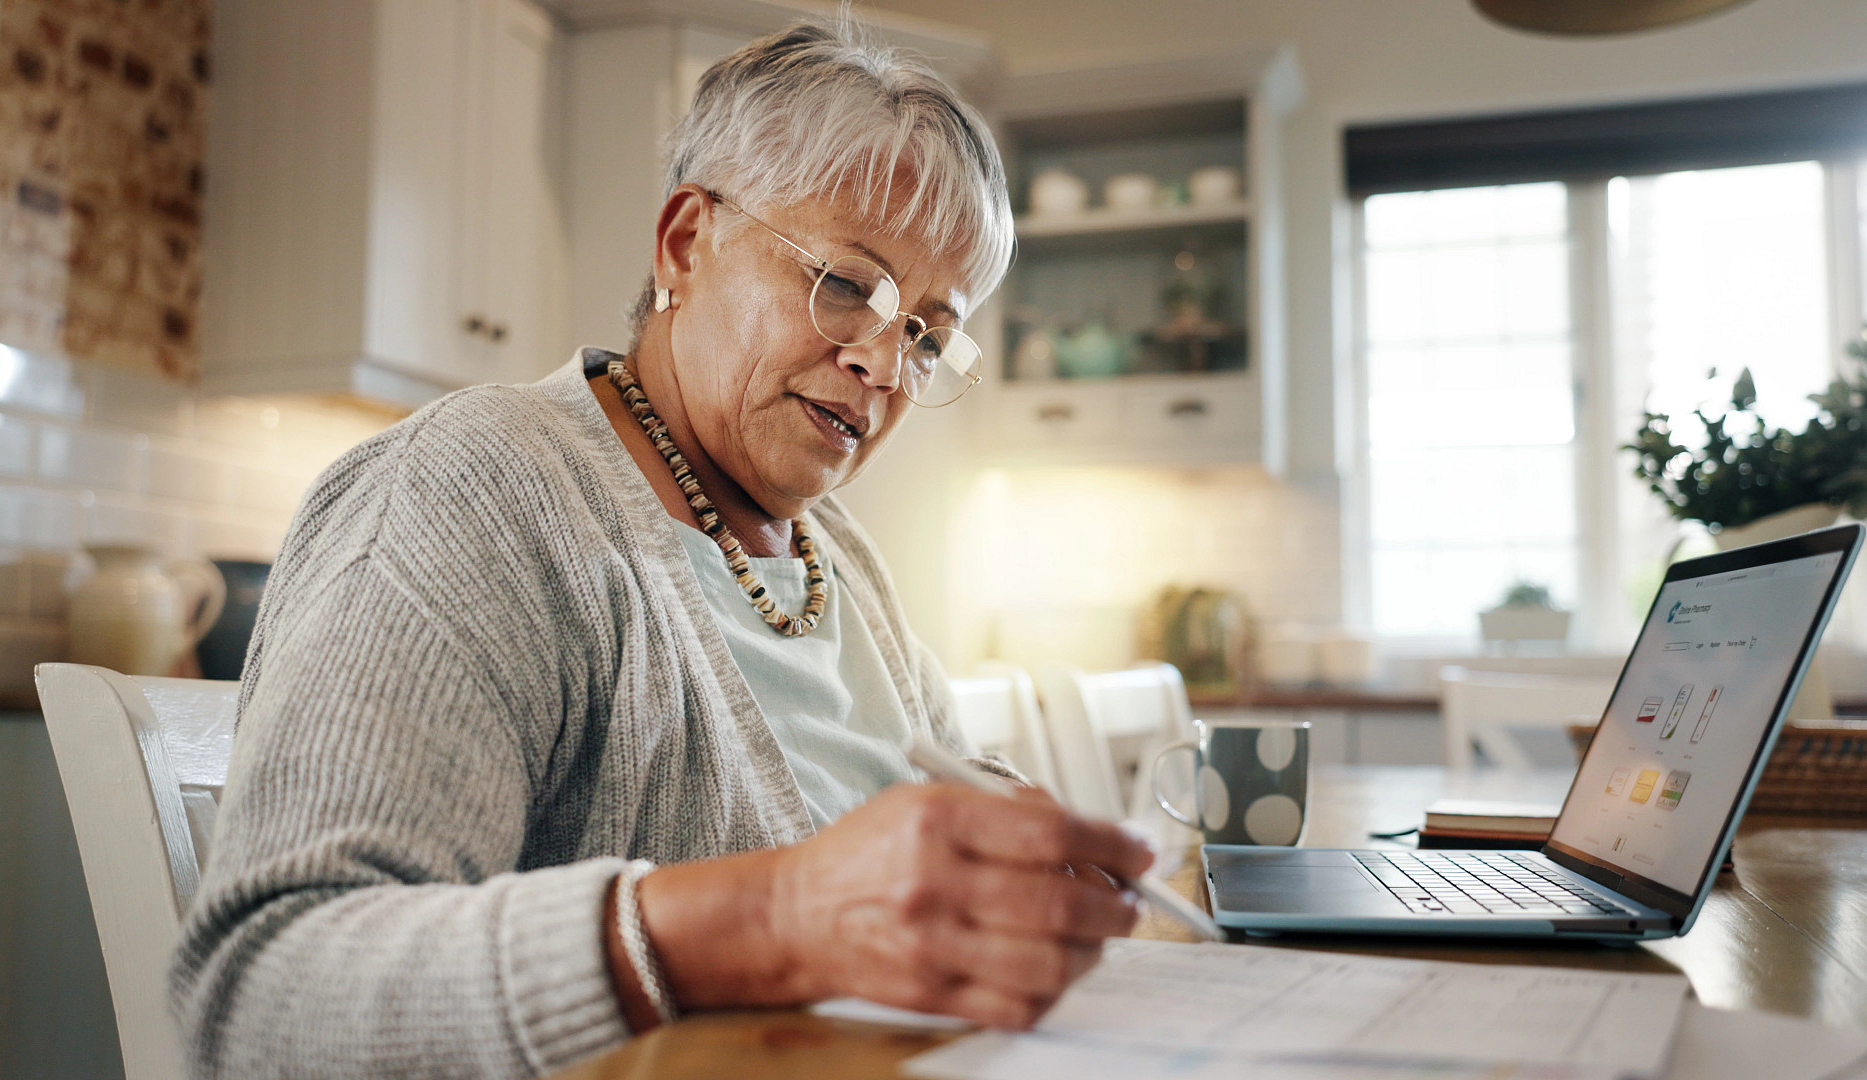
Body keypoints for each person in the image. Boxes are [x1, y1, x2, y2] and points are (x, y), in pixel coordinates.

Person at [171, 21, 1153, 1080]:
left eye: (924, 332)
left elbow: (912, 792)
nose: (881, 362)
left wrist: (1009, 858)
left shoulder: (841, 562)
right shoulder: (476, 492)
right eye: (847, 286)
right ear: (685, 242)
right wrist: (771, 919)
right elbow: (264, 996)